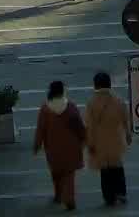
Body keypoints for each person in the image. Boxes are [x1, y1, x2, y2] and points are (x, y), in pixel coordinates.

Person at [34, 79, 86, 210]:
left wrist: (37, 145)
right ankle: (69, 198)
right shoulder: (71, 107)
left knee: (56, 173)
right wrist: (85, 139)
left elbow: (41, 129)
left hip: (53, 148)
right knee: (69, 174)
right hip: (71, 146)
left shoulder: (45, 109)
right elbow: (79, 126)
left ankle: (58, 194)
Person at [84, 70, 131, 207]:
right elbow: (125, 119)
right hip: (116, 140)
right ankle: (121, 192)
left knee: (105, 171)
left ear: (95, 85)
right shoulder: (118, 100)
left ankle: (109, 197)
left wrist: (90, 143)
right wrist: (128, 134)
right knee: (117, 167)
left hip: (100, 143)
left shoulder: (92, 103)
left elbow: (89, 126)